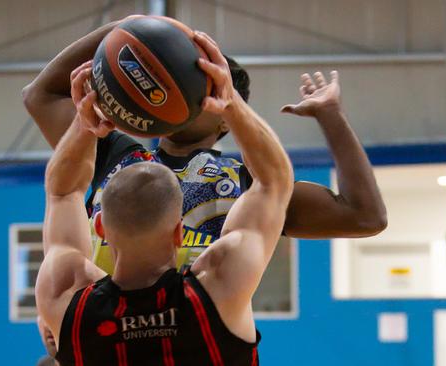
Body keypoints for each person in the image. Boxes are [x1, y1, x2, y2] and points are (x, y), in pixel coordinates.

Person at [23, 16, 387, 272]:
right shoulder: (113, 153)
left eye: (205, 84)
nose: (187, 88)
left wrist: (331, 116)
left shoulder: (253, 185)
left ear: (228, 115)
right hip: (108, 337)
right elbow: (39, 95)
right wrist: (126, 30)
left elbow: (364, 216)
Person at [34, 41, 294, 364]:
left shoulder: (65, 298)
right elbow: (274, 182)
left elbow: (63, 192)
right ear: (179, 232)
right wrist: (230, 104)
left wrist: (85, 123)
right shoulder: (219, 289)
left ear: (100, 227)